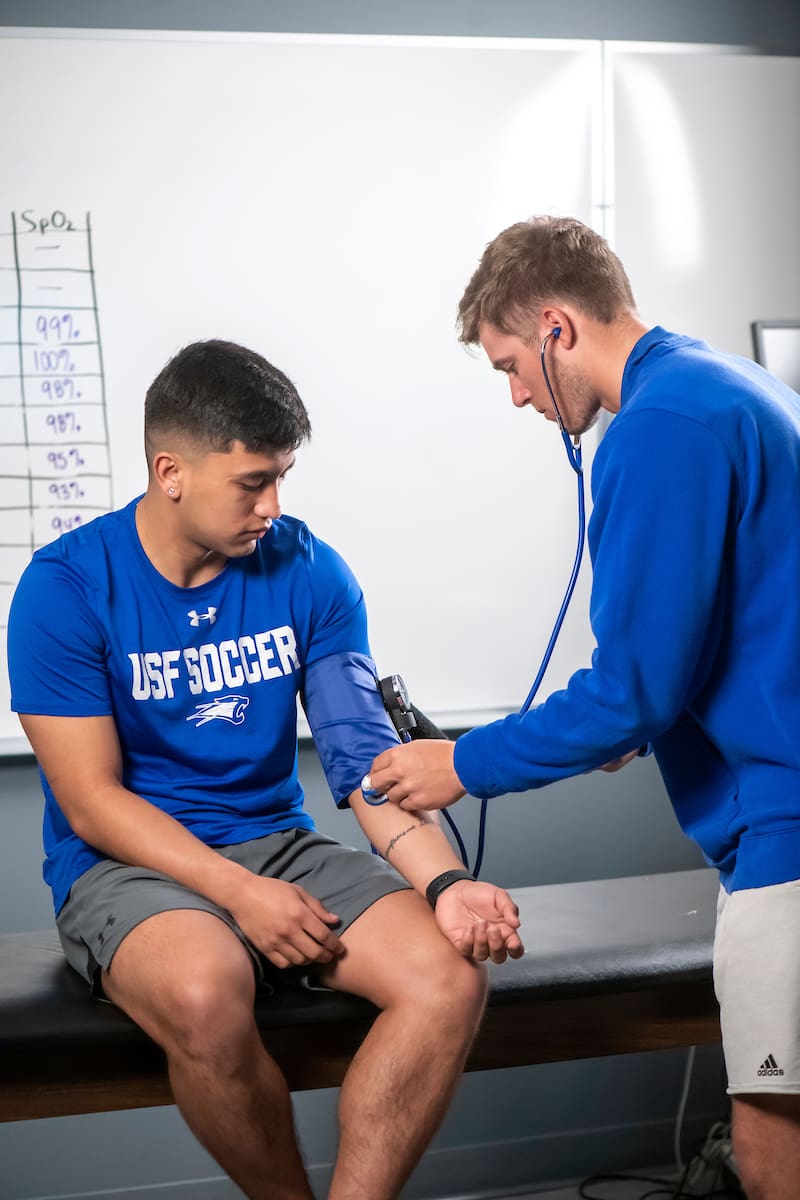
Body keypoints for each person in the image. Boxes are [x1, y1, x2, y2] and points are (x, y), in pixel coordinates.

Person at [7, 339, 523, 1200]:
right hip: (125, 867)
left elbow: (362, 759)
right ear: (170, 471)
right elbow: (92, 803)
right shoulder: (64, 590)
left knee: (446, 978)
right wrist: (240, 896)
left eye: (282, 476)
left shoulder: (309, 571)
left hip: (277, 843)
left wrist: (445, 886)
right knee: (210, 987)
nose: (273, 506)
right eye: (252, 482)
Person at [368, 216, 800, 1199]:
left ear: (556, 327)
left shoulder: (656, 431)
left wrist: (459, 763)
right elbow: (732, 634)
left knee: (770, 1123)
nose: (517, 395)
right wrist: (640, 728)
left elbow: (631, 689)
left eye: (510, 366)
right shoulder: (724, 387)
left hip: (785, 831)